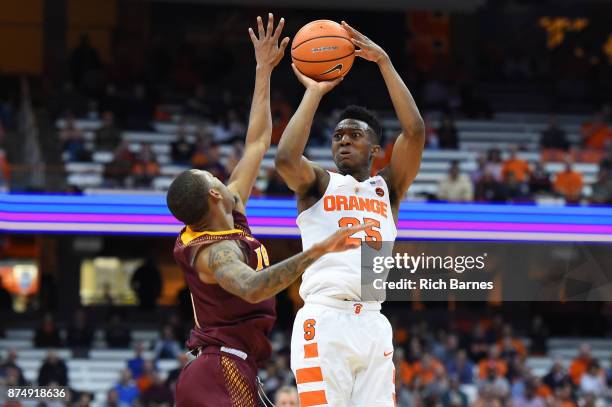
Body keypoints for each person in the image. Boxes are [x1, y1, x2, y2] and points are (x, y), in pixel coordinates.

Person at [166, 14, 364, 407]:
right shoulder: (213, 252)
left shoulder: (230, 209)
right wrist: (319, 250)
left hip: (232, 368)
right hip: (219, 368)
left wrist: (263, 70)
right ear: (213, 196)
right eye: (212, 176)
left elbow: (257, 141)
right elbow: (253, 286)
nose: (221, 174)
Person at [274, 21, 425, 406]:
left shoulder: (387, 188)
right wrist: (314, 92)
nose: (343, 140)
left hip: (373, 321)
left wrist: (385, 62)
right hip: (324, 319)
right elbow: (286, 158)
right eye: (338, 135)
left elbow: (415, 132)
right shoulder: (320, 184)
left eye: (354, 135)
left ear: (375, 149)